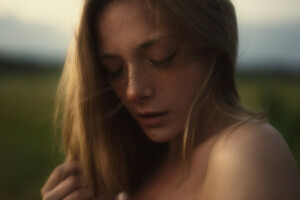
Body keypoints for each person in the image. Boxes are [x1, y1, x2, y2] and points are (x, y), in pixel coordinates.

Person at [41, 0, 300, 199]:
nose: (133, 90)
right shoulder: (141, 164)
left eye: (160, 57)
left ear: (211, 45)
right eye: (114, 70)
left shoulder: (244, 151)